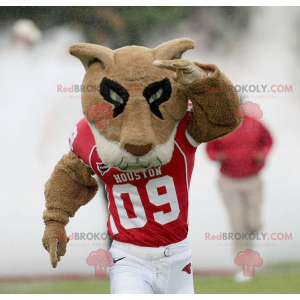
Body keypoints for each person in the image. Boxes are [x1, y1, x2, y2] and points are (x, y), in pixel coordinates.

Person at [206, 112, 273, 282]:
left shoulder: (256, 123)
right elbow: (210, 149)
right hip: (228, 181)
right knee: (237, 223)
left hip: (252, 179)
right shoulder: (220, 125)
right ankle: (244, 266)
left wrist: (262, 154)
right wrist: (217, 157)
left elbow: (269, 142)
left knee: (253, 223)